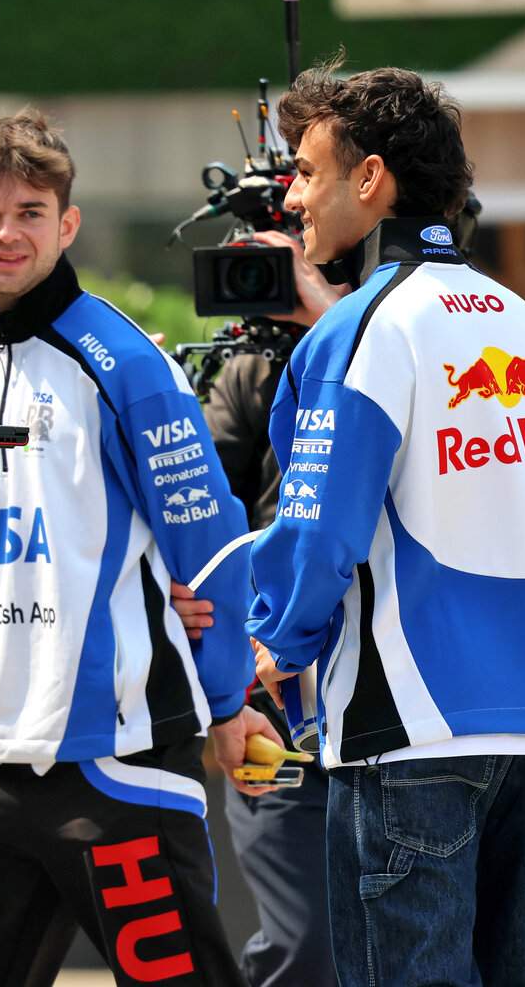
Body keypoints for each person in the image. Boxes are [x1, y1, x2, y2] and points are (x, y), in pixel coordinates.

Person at [247, 58, 525, 987]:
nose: (292, 195)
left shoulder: (362, 330)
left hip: (406, 728)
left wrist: (275, 644)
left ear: (371, 179)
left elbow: (316, 532)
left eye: (307, 171)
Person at [0, 108, 279, 987]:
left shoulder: (125, 362)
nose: (7, 233)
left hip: (120, 762)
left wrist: (227, 702)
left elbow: (211, 546)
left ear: (67, 224)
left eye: (30, 213)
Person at [175, 231, 347, 987]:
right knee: (305, 943)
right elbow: (203, 522)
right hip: (272, 704)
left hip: (398, 700)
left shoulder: (396, 345)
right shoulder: (248, 370)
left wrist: (331, 323)